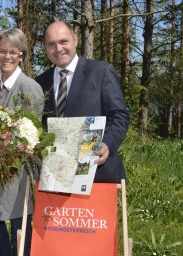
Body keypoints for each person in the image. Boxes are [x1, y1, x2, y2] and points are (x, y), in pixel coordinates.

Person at [36, 21, 130, 183]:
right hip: (56, 177)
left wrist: (107, 143)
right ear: (45, 47)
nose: (58, 49)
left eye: (63, 41)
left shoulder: (101, 72)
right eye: (51, 44)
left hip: (97, 172)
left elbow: (119, 115)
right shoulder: (40, 82)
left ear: (75, 40)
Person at [0, 28, 44, 256]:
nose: (7, 56)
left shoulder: (30, 88)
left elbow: (33, 134)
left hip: (18, 170)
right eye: (2, 51)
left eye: (13, 52)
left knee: (20, 225)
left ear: (21, 55)